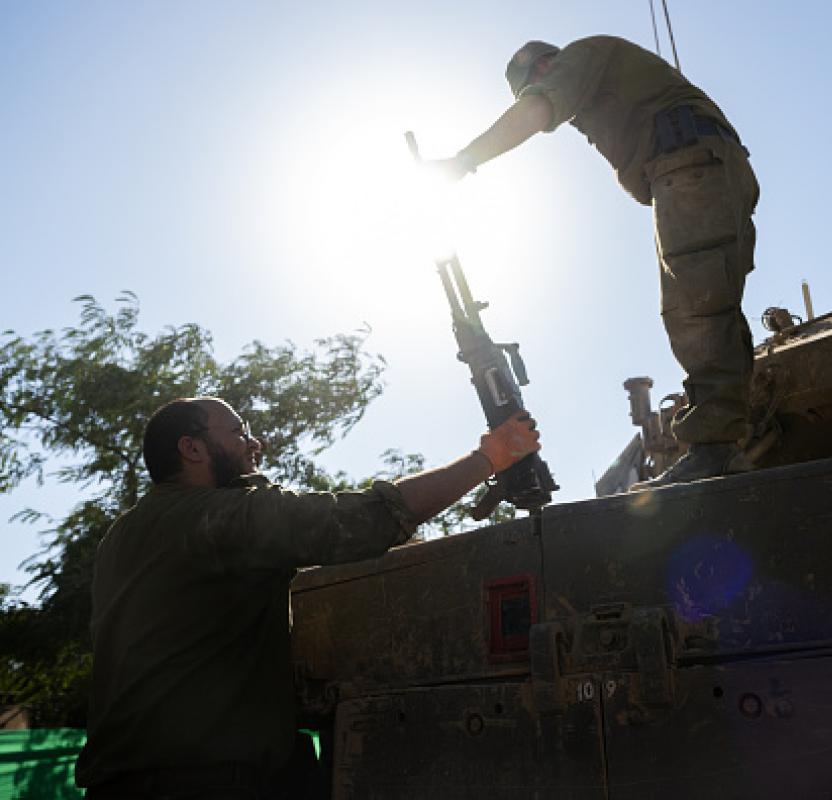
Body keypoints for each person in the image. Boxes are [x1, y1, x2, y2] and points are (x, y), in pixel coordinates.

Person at [75, 396, 540, 798]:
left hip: (115, 782)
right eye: (239, 432)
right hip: (202, 782)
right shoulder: (221, 519)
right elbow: (365, 520)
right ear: (192, 448)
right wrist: (491, 457)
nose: (254, 444)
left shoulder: (122, 535)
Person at [429, 36, 760, 488]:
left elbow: (535, 111)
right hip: (710, 166)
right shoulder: (602, 80)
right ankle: (728, 444)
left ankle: (715, 450)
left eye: (536, 86)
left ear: (544, 69)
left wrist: (462, 161)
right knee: (714, 305)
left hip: (690, 166)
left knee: (693, 308)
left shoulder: (580, 59)